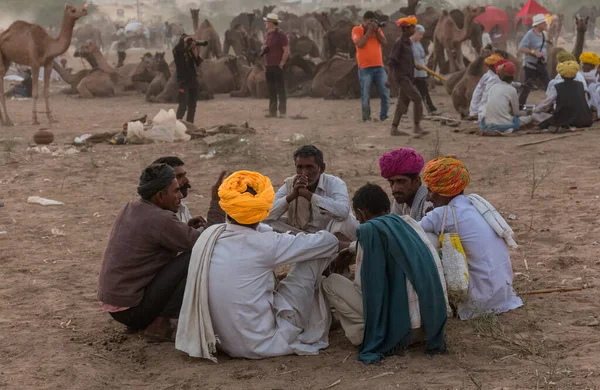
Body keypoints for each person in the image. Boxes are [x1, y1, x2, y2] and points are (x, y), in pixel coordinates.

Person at [176, 170, 346, 360]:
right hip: (262, 342)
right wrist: (347, 245)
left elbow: (260, 229)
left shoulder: (212, 233)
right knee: (313, 255)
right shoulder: (267, 244)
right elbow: (327, 243)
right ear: (263, 208)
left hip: (222, 341)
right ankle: (322, 314)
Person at [323, 183, 449, 364]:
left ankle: (363, 334)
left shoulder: (369, 232)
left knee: (330, 282)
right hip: (429, 325)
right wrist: (352, 249)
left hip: (401, 331)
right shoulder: (409, 223)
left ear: (362, 213)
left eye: (358, 217)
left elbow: (366, 292)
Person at [97, 164, 202, 340]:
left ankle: (150, 321)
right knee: (195, 257)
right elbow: (202, 243)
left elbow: (157, 235)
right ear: (160, 196)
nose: (180, 196)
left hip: (116, 305)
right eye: (175, 191)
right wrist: (216, 205)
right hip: (132, 310)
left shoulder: (131, 207)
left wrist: (183, 229)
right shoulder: (161, 219)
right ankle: (161, 324)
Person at [419, 157, 523, 320]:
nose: (427, 198)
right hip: (502, 294)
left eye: (431, 191)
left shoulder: (444, 214)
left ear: (444, 192)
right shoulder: (473, 204)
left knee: (425, 238)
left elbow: (408, 231)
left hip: (479, 301)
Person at [265, 145, 358, 240]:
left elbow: (343, 211)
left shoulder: (335, 183)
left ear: (321, 168)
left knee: (347, 221)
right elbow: (266, 215)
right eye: (300, 167)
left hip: (328, 235)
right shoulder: (291, 183)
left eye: (310, 167)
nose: (304, 173)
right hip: (300, 234)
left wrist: (309, 196)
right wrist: (292, 196)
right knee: (262, 223)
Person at [152, 157, 226, 228]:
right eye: (179, 177)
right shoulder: (160, 218)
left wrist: (188, 228)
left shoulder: (180, 206)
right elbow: (212, 236)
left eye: (184, 175)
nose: (186, 181)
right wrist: (217, 200)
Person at [388, 16, 427, 137]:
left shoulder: (408, 42)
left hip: (408, 76)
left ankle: (394, 129)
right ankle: (416, 126)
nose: (414, 29)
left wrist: (415, 66)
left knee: (402, 102)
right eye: (412, 27)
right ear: (406, 29)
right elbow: (391, 62)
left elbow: (406, 59)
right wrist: (389, 79)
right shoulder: (399, 43)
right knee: (417, 98)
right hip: (402, 77)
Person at [351, 11, 389, 122]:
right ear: (365, 20)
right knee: (366, 95)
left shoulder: (378, 30)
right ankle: (366, 118)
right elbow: (359, 44)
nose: (372, 23)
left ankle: (384, 116)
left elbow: (385, 42)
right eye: (370, 21)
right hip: (365, 68)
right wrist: (368, 32)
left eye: (374, 21)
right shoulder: (356, 30)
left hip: (379, 67)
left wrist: (376, 31)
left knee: (385, 93)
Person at [378, 148, 431, 221]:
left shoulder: (428, 202)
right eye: (391, 182)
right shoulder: (400, 200)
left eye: (401, 181)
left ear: (416, 181)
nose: (394, 188)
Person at [539, 61, 594, 131]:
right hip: (584, 120)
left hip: (564, 120)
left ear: (561, 75)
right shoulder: (581, 85)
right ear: (575, 75)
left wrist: (535, 110)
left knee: (538, 116)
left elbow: (546, 103)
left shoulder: (557, 87)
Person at [480, 61, 532, 133]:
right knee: (529, 118)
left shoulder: (493, 87)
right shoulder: (512, 90)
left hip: (488, 123)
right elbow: (516, 112)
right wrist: (527, 112)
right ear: (513, 76)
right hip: (504, 124)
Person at [534, 51, 589, 117]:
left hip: (564, 115)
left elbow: (548, 101)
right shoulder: (580, 82)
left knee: (535, 115)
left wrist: (534, 110)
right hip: (583, 115)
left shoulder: (559, 85)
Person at [518, 14, 550, 105]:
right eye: (543, 23)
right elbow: (521, 48)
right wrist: (534, 52)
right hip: (531, 66)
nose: (545, 24)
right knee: (527, 88)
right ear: (538, 24)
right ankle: (520, 106)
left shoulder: (544, 34)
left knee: (549, 85)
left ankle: (554, 105)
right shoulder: (530, 34)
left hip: (541, 65)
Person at [262, 13, 290, 118]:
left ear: (271, 23)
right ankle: (272, 111)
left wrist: (282, 63)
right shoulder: (268, 35)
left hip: (277, 66)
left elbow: (286, 51)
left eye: (267, 21)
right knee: (271, 89)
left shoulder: (281, 35)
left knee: (280, 89)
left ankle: (282, 112)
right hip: (268, 65)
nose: (265, 23)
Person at [173, 34, 202, 123]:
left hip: (193, 81)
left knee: (192, 106)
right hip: (183, 82)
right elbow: (178, 48)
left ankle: (190, 124)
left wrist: (194, 50)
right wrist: (186, 39)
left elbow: (198, 62)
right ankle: (177, 125)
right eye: (187, 42)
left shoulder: (190, 52)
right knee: (183, 105)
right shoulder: (177, 51)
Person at [411, 24, 438, 115]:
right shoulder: (408, 43)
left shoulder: (418, 43)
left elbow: (422, 57)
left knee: (424, 91)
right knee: (412, 94)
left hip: (421, 72)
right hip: (413, 73)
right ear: (414, 33)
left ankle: (431, 109)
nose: (421, 36)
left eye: (422, 35)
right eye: (419, 34)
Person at [468, 53, 503, 119]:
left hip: (476, 109)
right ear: (493, 66)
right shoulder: (492, 78)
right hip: (480, 112)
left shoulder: (489, 75)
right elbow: (486, 97)